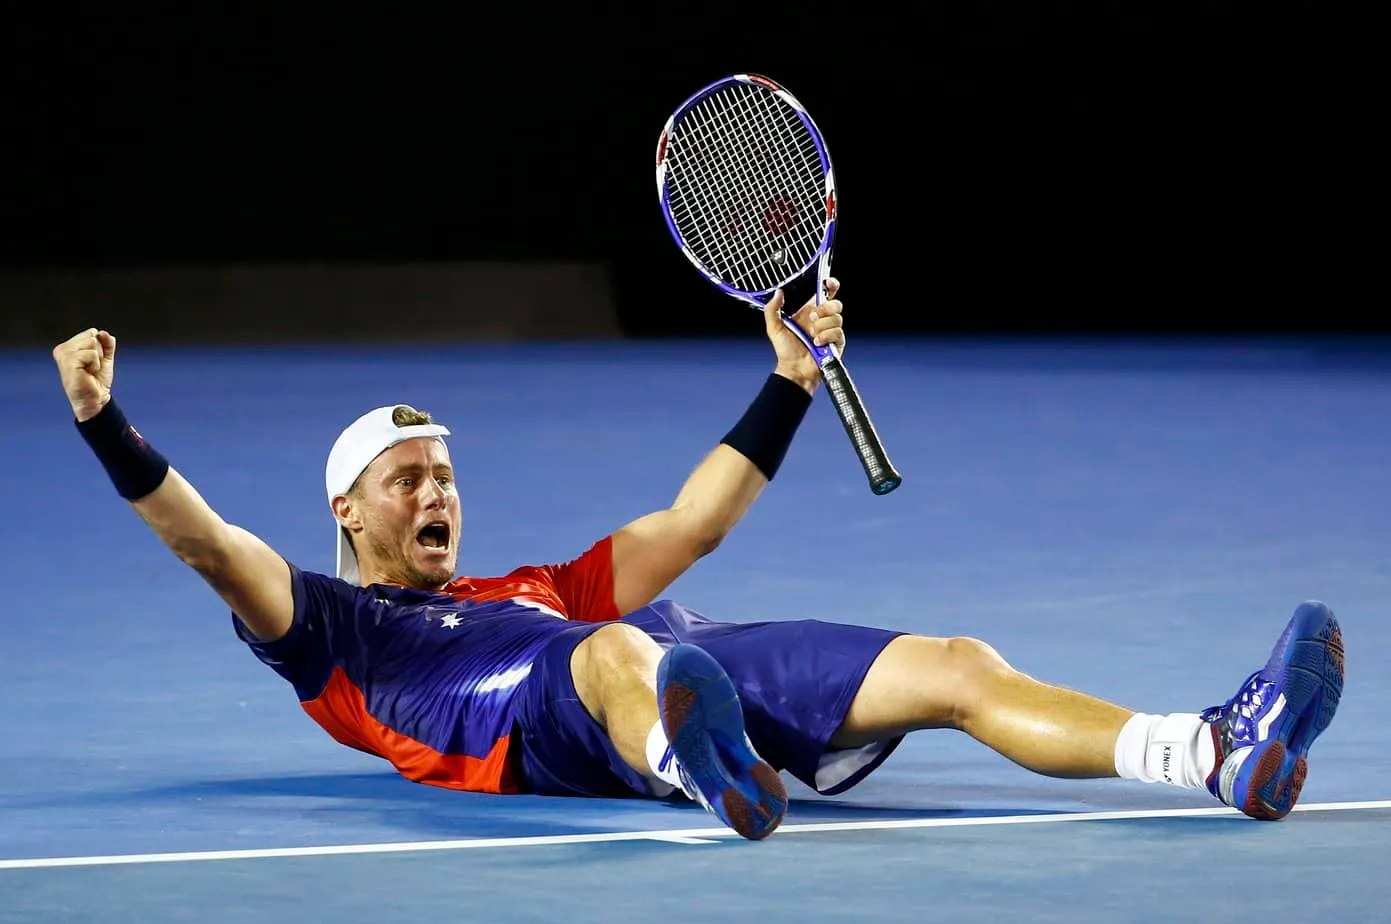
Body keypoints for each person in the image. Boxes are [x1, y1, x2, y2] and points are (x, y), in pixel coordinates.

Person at [52, 281, 1344, 841]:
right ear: (350, 509)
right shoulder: (333, 628)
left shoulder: (535, 588)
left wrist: (785, 382)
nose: (437, 490)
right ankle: (693, 768)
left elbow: (695, 519)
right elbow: (208, 545)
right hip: (529, 725)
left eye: (446, 472)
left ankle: (1212, 753)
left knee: (950, 664)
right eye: (409, 480)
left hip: (671, 665)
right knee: (623, 650)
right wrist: (109, 424)